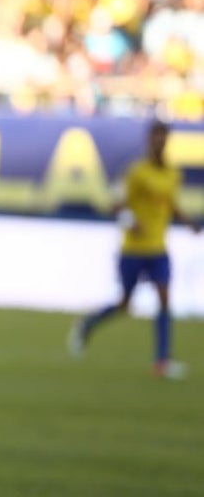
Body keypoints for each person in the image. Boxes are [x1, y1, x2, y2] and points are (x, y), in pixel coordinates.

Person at [68, 120, 201, 379]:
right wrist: (131, 221)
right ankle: (88, 323)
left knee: (164, 297)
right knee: (125, 304)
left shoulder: (173, 174)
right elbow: (115, 205)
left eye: (163, 137)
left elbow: (170, 204)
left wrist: (188, 223)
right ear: (149, 140)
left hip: (158, 248)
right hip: (132, 249)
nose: (159, 141)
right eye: (155, 137)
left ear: (167, 140)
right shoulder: (136, 172)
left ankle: (162, 361)